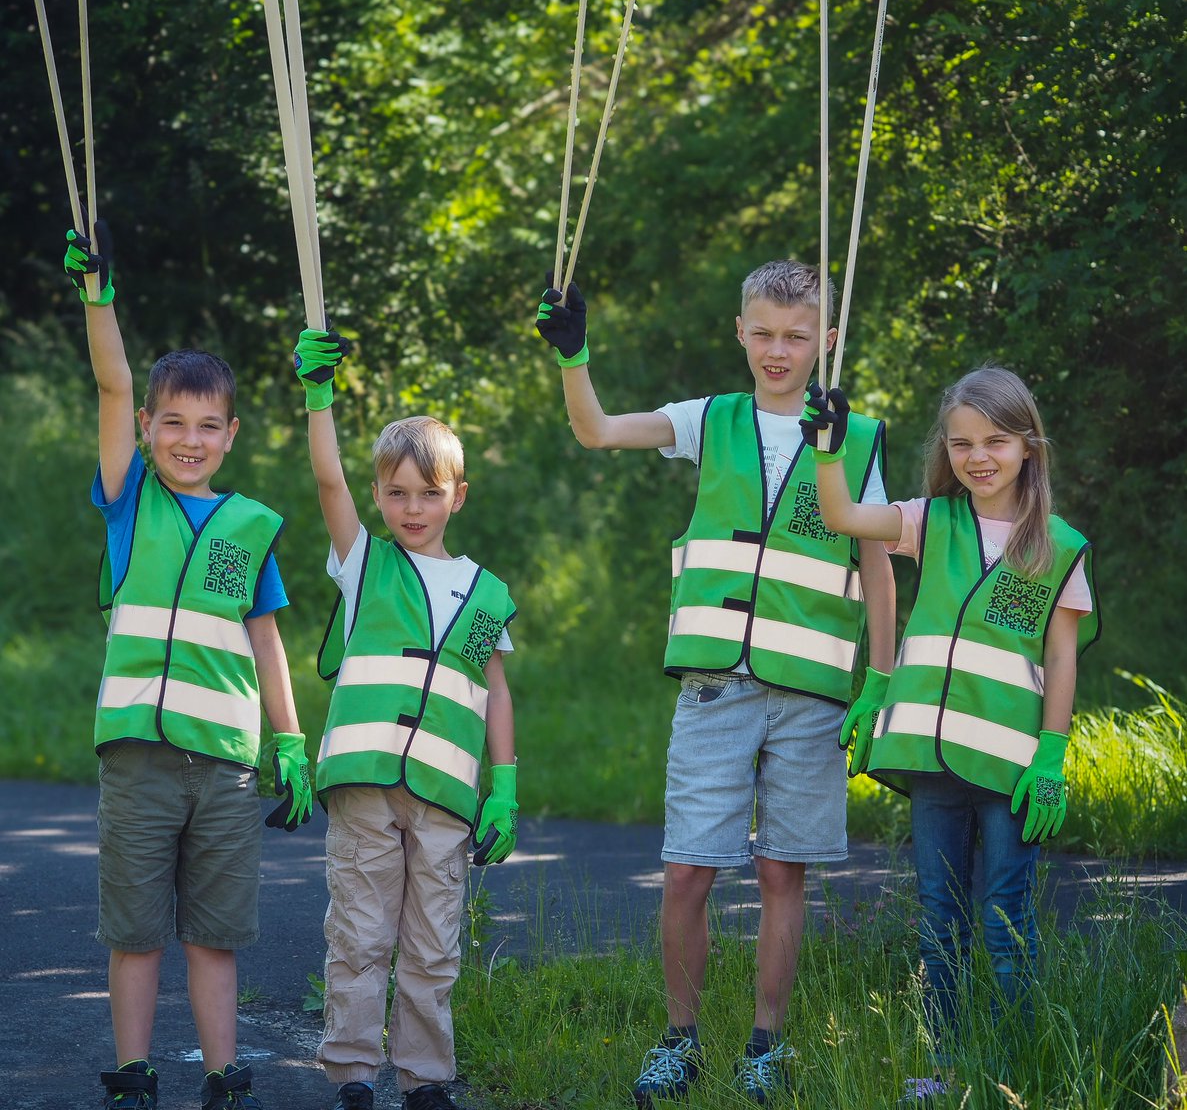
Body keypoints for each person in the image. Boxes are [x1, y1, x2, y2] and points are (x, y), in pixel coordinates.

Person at [535, 260, 897, 1106]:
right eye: (763, 333)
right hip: (712, 688)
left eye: (796, 336)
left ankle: (765, 1042)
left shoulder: (855, 433)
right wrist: (571, 357)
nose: (778, 350)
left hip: (810, 694)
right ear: (739, 332)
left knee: (783, 873)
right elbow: (595, 431)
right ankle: (678, 1038)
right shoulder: (713, 419)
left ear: (827, 342)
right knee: (688, 869)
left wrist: (879, 677)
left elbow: (877, 565)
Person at [64, 226, 314, 1110]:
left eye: (208, 426)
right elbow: (112, 379)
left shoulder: (250, 527)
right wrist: (101, 300)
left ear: (232, 434)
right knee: (135, 931)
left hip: (226, 764)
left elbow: (268, 640)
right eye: (172, 422)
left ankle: (221, 1071)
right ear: (146, 429)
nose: (189, 439)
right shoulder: (129, 501)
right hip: (137, 756)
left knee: (215, 933)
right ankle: (134, 1071)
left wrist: (291, 743)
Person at [802, 365, 1099, 1104]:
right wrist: (827, 449)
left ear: (1028, 446)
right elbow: (840, 516)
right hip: (932, 763)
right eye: (962, 442)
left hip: (1009, 769)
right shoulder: (930, 520)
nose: (978, 457)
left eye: (995, 441)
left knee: (1005, 919)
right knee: (940, 924)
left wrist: (1052, 756)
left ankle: (1010, 1069)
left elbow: (1060, 655)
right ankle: (946, 1068)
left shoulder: (1057, 545)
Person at [292, 328, 520, 1110]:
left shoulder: (484, 592)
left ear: (457, 495)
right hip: (364, 787)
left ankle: (427, 1080)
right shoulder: (364, 564)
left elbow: (494, 687)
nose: (411, 508)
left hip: (446, 798)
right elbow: (328, 484)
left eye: (428, 492)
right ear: (380, 495)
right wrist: (319, 399)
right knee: (358, 935)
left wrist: (506, 788)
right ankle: (353, 1073)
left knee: (432, 944)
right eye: (395, 492)